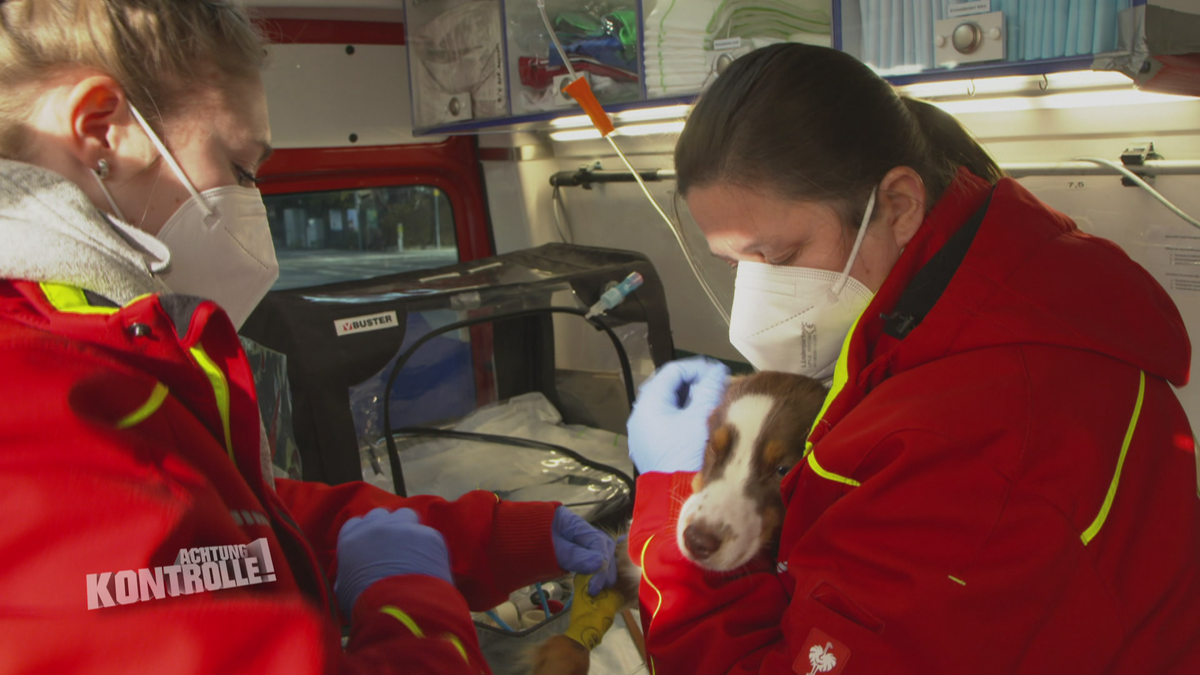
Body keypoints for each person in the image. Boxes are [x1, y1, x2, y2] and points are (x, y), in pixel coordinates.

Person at [0, 1, 616, 672]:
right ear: (103, 132)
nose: (251, 201)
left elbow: (239, 524)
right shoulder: (39, 400)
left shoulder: (99, 347)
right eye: (240, 167)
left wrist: (486, 537)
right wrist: (410, 596)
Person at [625, 43, 1200, 674]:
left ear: (897, 205)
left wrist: (674, 501)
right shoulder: (985, 293)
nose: (756, 299)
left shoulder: (976, 436)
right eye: (736, 265)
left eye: (781, 258)